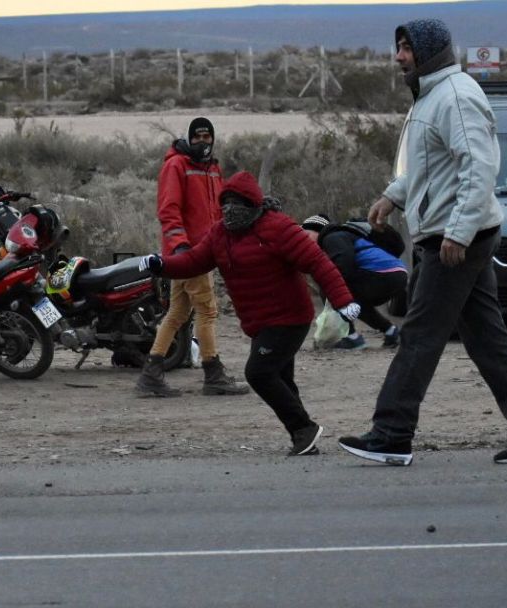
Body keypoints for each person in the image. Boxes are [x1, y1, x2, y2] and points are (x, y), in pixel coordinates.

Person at [337, 19, 507, 468]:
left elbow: (479, 167)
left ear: (429, 50)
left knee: (420, 334)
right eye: (398, 47)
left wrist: (458, 232)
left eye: (406, 48)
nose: (398, 56)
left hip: (455, 237)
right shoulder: (433, 95)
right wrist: (393, 195)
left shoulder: (456, 96)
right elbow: (430, 168)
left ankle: (391, 434)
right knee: (486, 338)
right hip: (453, 232)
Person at [139, 171, 360, 456]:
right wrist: (161, 265)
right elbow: (194, 261)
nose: (230, 209)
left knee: (258, 373)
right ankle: (303, 436)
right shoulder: (220, 233)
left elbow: (317, 262)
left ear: (253, 204)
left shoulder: (278, 227)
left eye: (237, 203)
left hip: (289, 318)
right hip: (259, 322)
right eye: (226, 203)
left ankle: (304, 428)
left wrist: (343, 300)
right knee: (281, 378)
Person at [137, 117, 248, 398]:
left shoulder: (212, 169)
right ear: (190, 138)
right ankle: (213, 373)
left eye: (206, 137)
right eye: (197, 137)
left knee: (177, 313)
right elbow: (168, 210)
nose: (203, 142)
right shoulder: (177, 166)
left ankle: (151, 373)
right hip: (190, 253)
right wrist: (181, 247)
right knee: (207, 312)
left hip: (203, 252)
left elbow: (219, 210)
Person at [300, 214, 404, 349]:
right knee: (355, 302)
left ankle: (351, 337)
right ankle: (391, 332)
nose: (304, 241)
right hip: (396, 274)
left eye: (306, 235)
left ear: (318, 230)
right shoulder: (344, 236)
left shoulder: (332, 237)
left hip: (382, 273)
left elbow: (344, 264)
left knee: (330, 283)